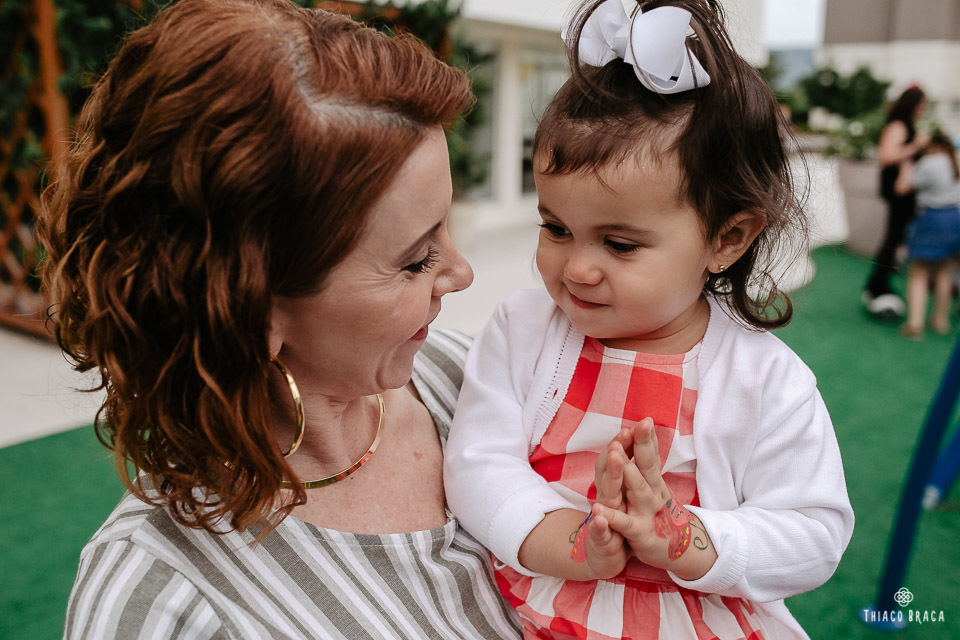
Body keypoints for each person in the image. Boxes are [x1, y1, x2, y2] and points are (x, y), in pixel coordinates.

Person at [38, 1, 522, 637]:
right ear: (248, 310)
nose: (460, 273)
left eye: (445, 225)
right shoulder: (162, 606)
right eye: (415, 260)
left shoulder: (473, 380)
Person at [443, 1, 855, 638]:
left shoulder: (767, 379)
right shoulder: (522, 328)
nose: (577, 268)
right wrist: (570, 542)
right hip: (538, 599)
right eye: (556, 228)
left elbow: (813, 531)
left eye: (620, 244)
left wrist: (684, 536)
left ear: (727, 238)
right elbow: (478, 462)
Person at [863, 86, 930, 321]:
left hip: (905, 190)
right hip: (897, 189)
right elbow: (886, 156)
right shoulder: (898, 126)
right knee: (893, 237)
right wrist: (917, 145)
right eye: (922, 104)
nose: (924, 109)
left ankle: (880, 282)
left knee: (897, 237)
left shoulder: (905, 124)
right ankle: (877, 284)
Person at [895, 133, 960, 339]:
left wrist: (906, 167)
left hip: (931, 217)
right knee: (945, 270)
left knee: (919, 272)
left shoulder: (930, 162)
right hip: (953, 217)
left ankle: (915, 323)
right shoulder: (954, 160)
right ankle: (941, 320)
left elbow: (902, 188)